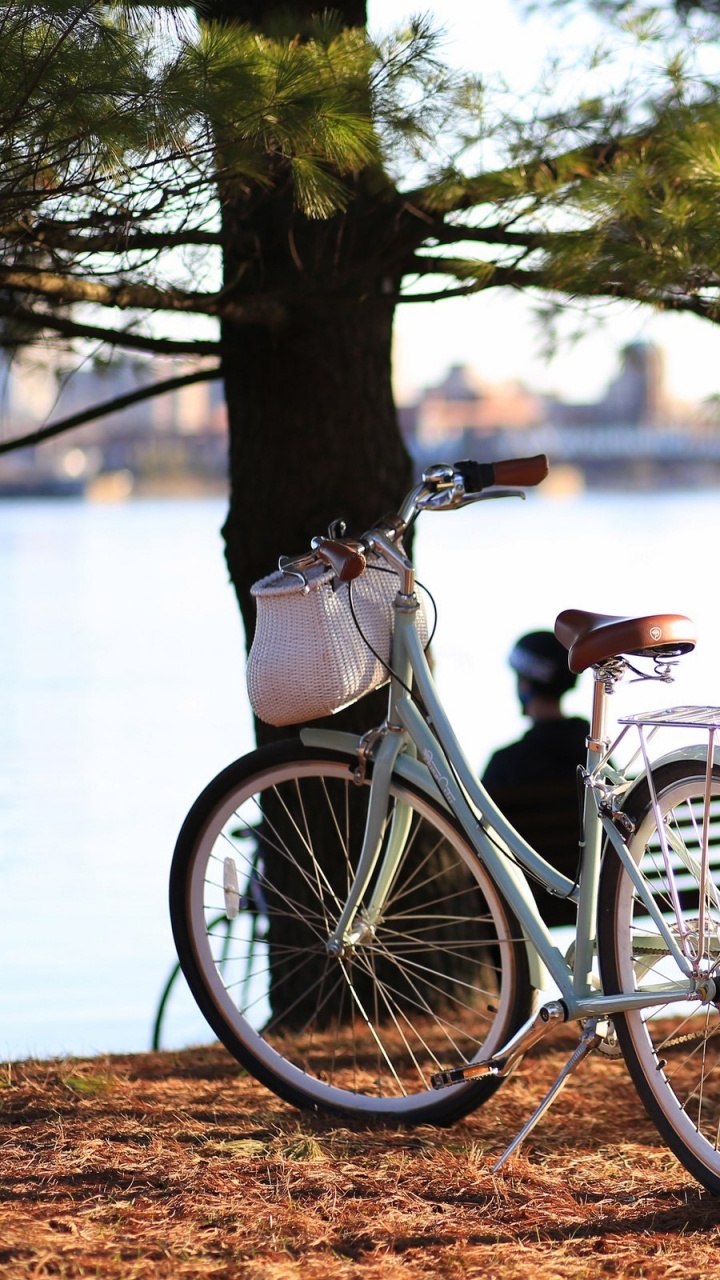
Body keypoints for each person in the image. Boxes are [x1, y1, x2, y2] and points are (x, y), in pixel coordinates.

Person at [481, 630, 590, 928]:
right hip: (592, 896)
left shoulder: (505, 764)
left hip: (519, 901)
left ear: (525, 683)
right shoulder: (595, 760)